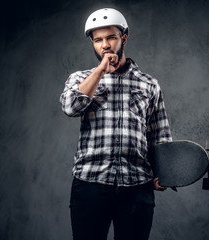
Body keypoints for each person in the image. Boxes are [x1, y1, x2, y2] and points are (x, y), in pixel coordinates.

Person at [60, 8, 172, 240]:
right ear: (93, 43)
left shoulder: (149, 84)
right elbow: (70, 107)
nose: (105, 45)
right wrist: (101, 71)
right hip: (90, 183)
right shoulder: (80, 79)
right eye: (98, 40)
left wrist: (164, 170)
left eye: (111, 37)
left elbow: (159, 132)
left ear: (124, 38)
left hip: (137, 186)